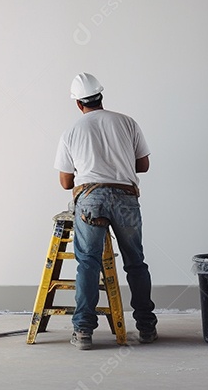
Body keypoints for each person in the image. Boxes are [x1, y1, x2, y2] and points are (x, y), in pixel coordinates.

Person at [54, 72, 158, 350]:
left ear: (78, 104)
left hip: (90, 199)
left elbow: (66, 183)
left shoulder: (72, 132)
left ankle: (84, 331)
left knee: (88, 263)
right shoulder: (127, 122)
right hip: (126, 197)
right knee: (135, 262)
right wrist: (118, 163)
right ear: (101, 96)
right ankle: (147, 327)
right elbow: (143, 165)